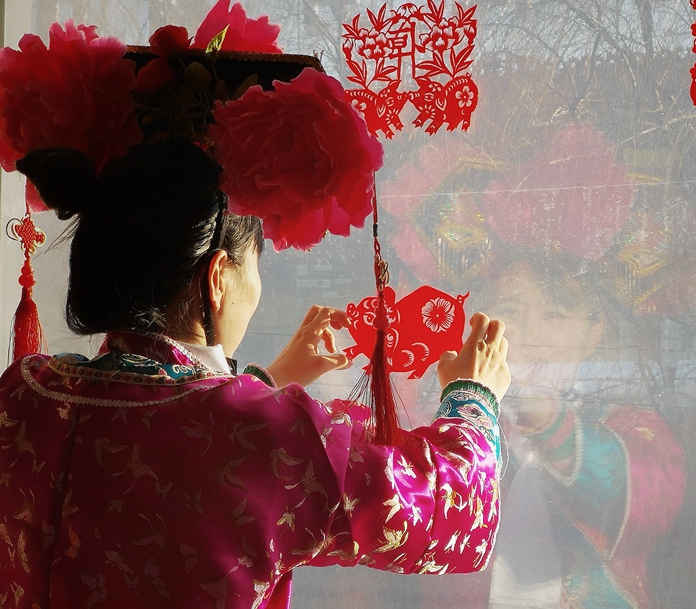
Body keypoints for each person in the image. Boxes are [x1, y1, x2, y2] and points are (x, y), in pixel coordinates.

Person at [0, 139, 510, 608]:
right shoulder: (275, 435)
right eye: (255, 265)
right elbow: (456, 517)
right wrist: (473, 395)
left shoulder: (24, 393)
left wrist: (266, 382)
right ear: (219, 276)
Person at [485, 250, 686, 609]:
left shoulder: (630, 424)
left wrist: (554, 425)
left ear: (594, 332)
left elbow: (649, 502)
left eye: (554, 314)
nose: (530, 332)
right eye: (511, 311)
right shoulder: (460, 418)